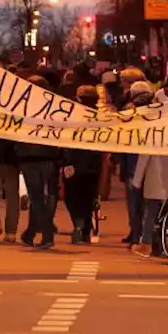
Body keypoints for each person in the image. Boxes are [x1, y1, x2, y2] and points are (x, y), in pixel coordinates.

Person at [132, 88, 168, 262]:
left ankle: (146, 245)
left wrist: (137, 179)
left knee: (150, 212)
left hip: (155, 174)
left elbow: (145, 154)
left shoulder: (154, 123)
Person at [17, 75, 64, 249]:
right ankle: (31, 232)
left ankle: (47, 234)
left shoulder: (23, 107)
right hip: (49, 156)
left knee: (37, 197)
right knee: (46, 196)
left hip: (31, 158)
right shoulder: (52, 107)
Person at [62, 85, 104, 244]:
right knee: (87, 197)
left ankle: (79, 225)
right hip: (92, 165)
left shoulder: (72, 116)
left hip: (74, 162)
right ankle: (83, 228)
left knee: (72, 197)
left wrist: (66, 160)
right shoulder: (99, 117)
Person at [115, 79, 155, 243]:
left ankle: (136, 232)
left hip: (133, 161)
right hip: (151, 163)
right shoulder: (157, 109)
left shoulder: (128, 111)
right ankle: (147, 234)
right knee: (149, 202)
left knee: (134, 202)